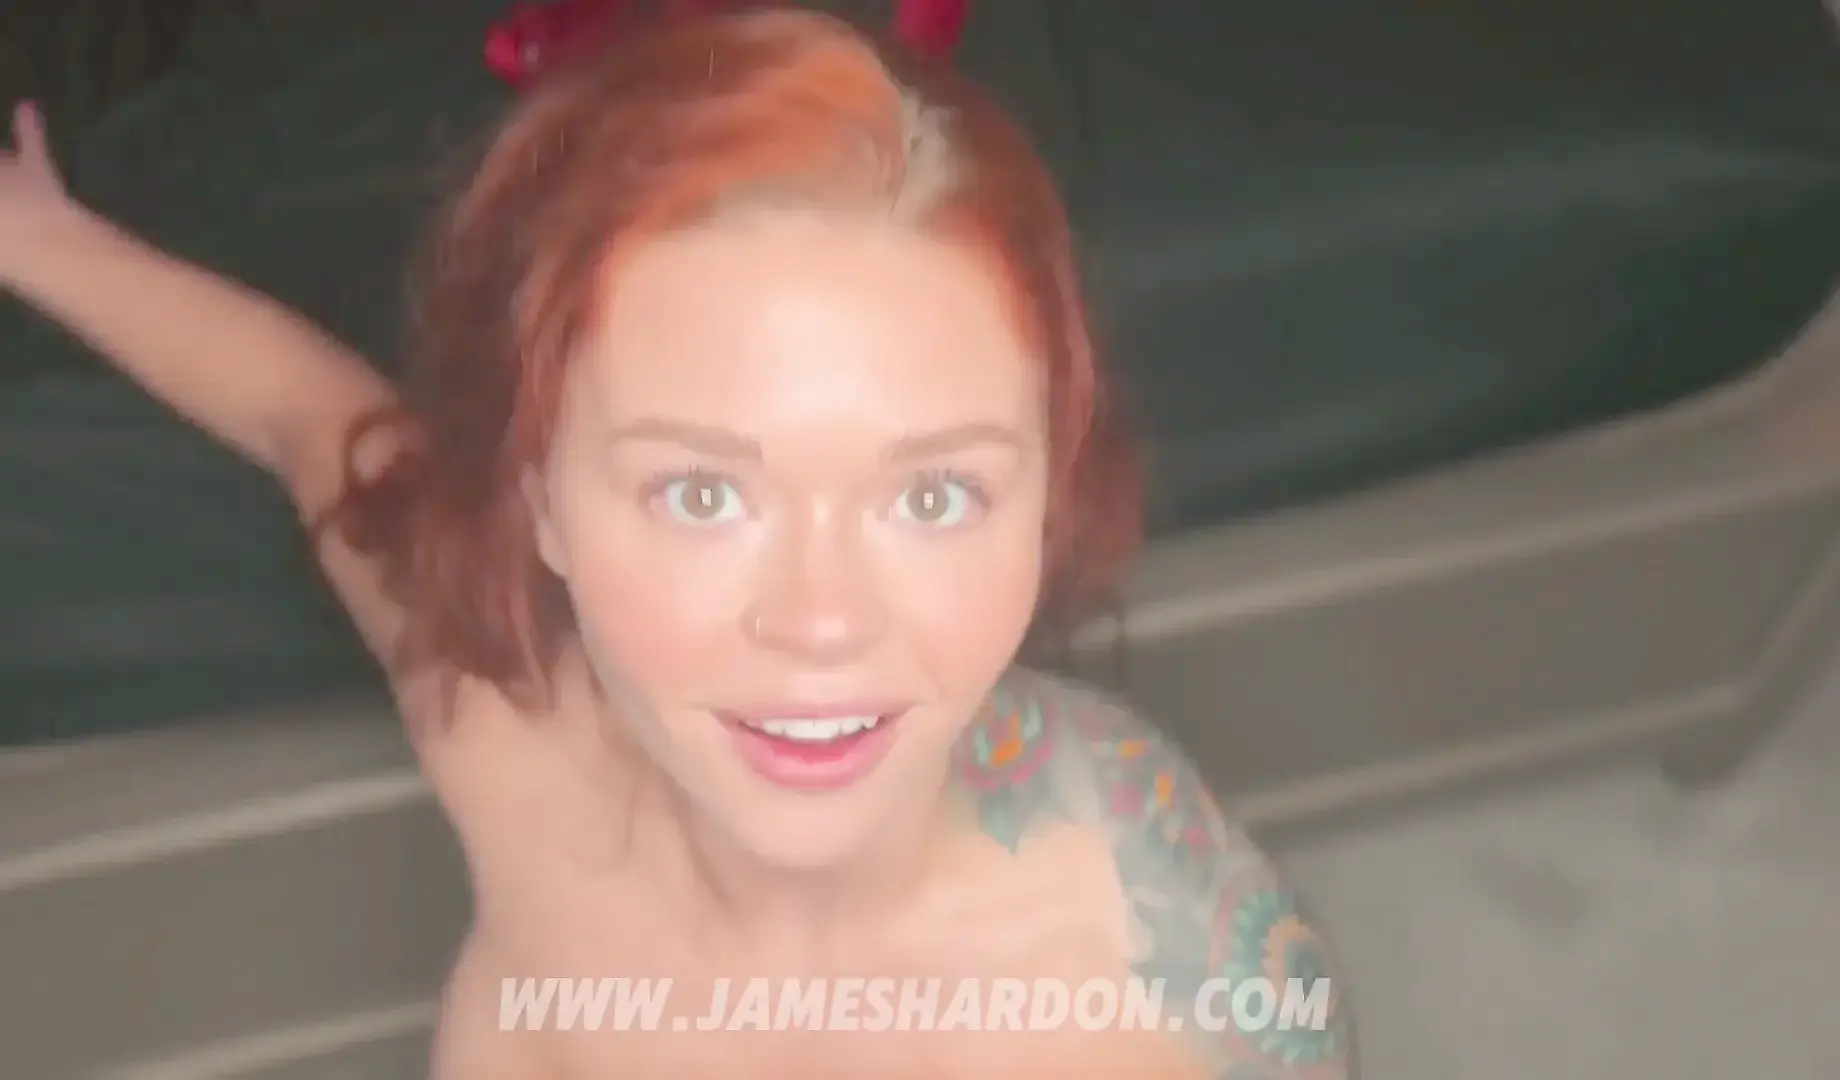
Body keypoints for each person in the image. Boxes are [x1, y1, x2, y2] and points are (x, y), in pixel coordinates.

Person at [0, 10, 1351, 1079]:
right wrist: (38, 239)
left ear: (1047, 495)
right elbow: (309, 418)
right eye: (702, 496)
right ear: (538, 499)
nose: (822, 623)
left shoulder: (1142, 991)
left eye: (934, 496)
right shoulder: (509, 739)